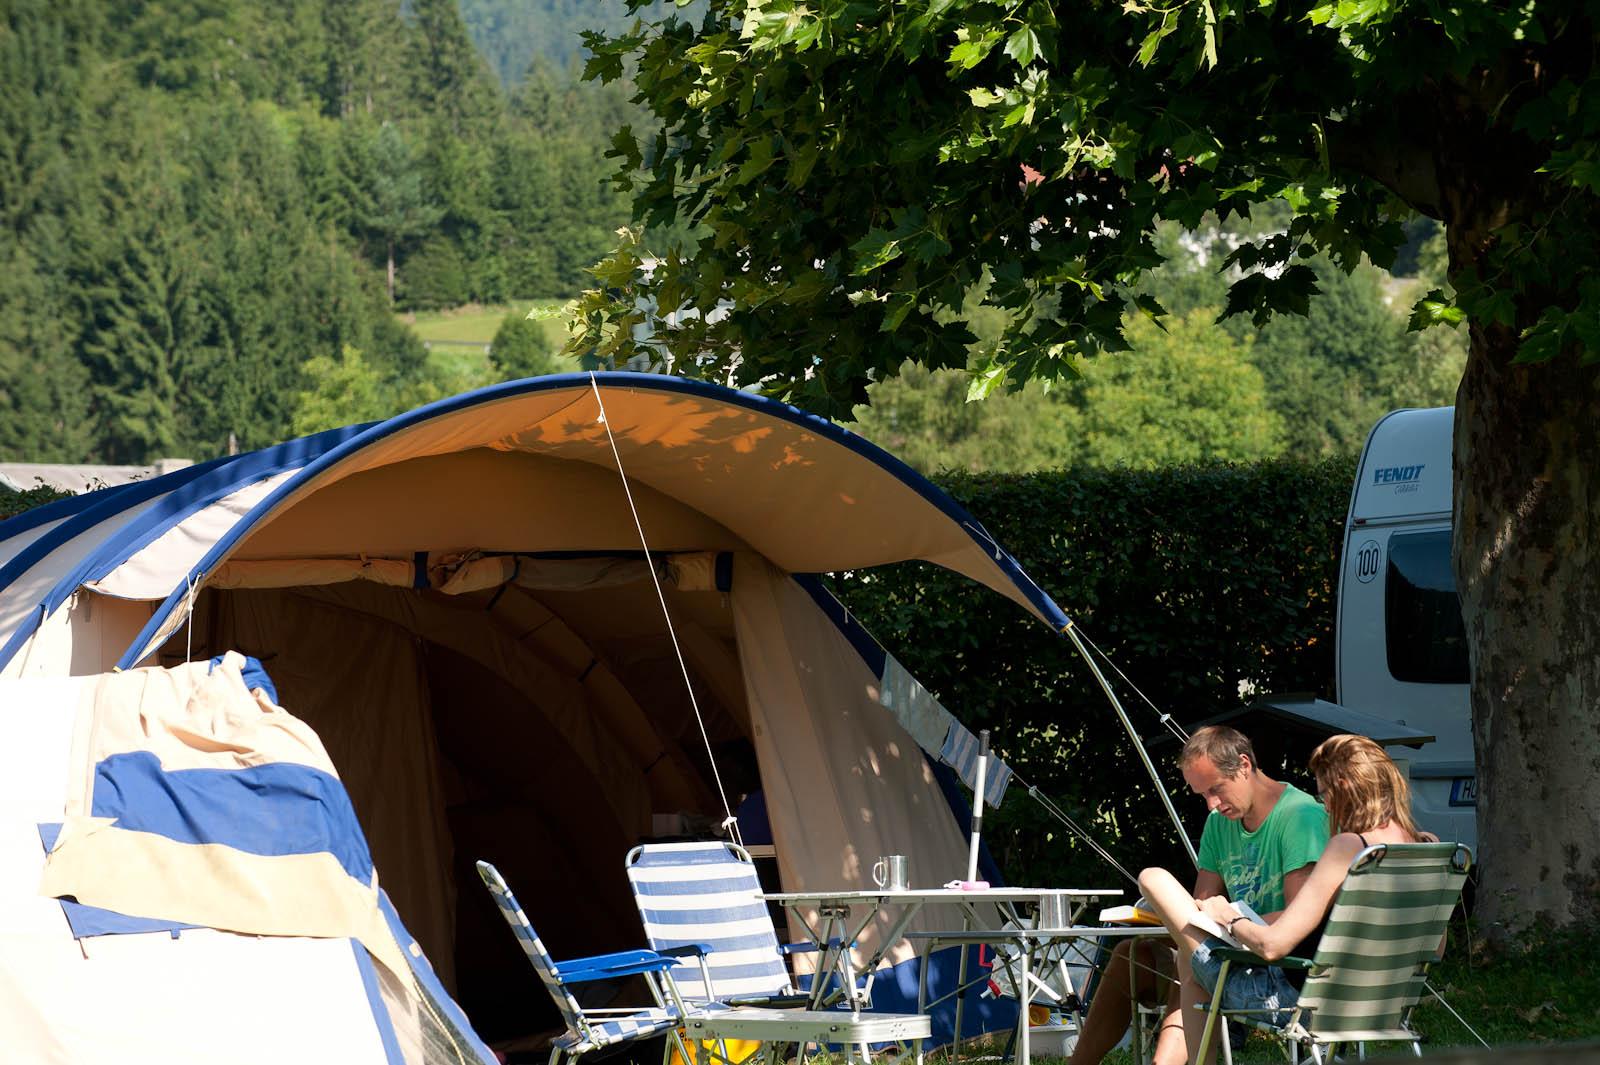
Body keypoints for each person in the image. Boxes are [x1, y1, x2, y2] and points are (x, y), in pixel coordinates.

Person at [1140, 733, 1431, 1065]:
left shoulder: (1348, 847)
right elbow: (1433, 949)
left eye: (1324, 794)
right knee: (1187, 954)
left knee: (1154, 880)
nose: (1325, 807)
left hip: (1298, 1004)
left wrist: (1229, 917)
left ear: (1345, 788)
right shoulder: (1423, 846)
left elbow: (1273, 947)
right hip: (1388, 1004)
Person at [1068, 726, 1328, 1065]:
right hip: (1230, 954)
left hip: (1274, 970)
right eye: (1202, 795)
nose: (1211, 805)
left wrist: (1231, 922)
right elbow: (1200, 910)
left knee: (1161, 895)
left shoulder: (1300, 816)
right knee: (1133, 955)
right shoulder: (1220, 824)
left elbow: (1299, 920)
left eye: (1216, 789)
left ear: (1244, 765)